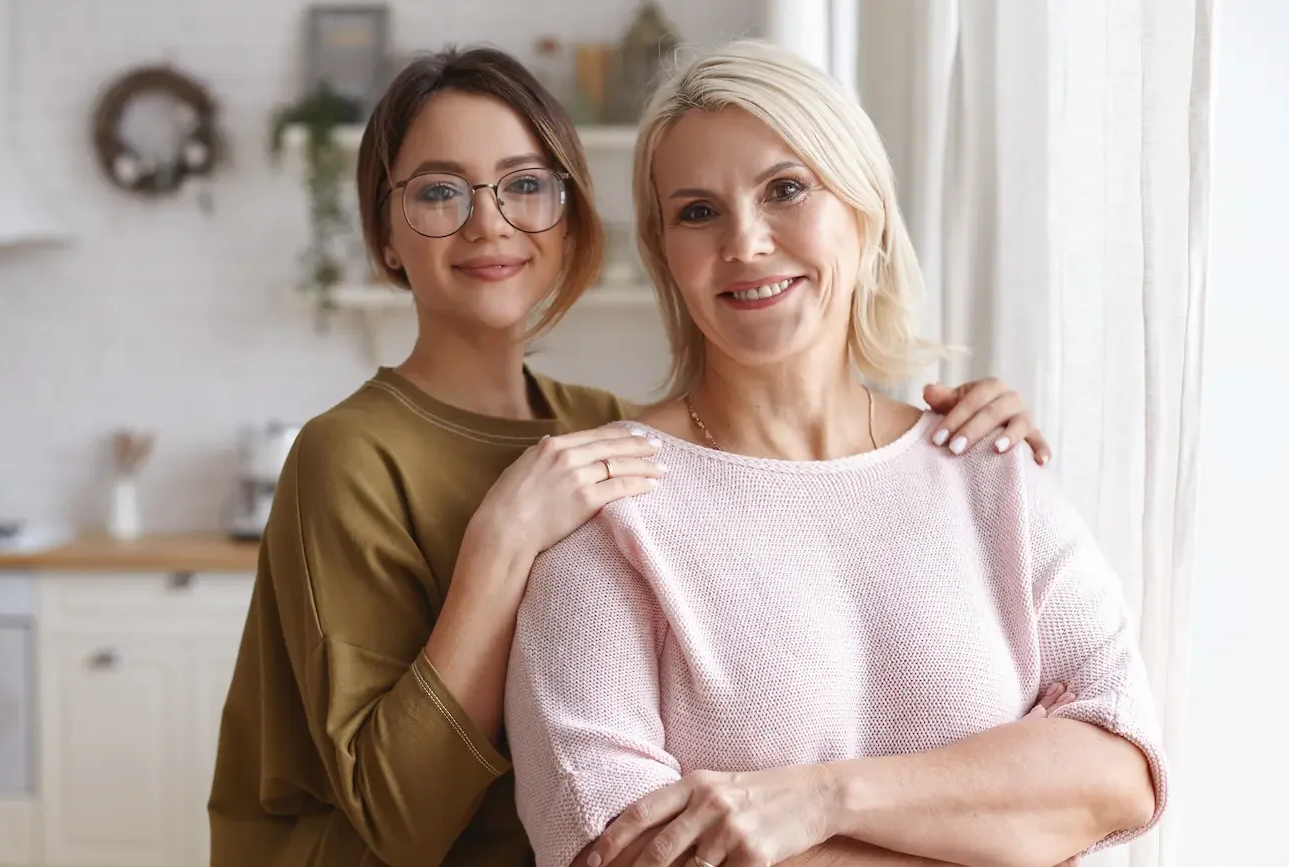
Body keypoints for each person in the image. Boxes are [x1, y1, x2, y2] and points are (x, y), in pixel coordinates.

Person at [207, 46, 1054, 867]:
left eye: (526, 186)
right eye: (438, 193)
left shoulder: (605, 432)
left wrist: (970, 436)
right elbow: (397, 823)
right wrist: (499, 546)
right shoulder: (347, 455)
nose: (489, 222)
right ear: (386, 236)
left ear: (573, 219)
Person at [504, 39, 1167, 867]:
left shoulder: (989, 468)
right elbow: (619, 850)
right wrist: (994, 831)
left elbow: (1122, 772)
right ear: (665, 254)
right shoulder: (610, 507)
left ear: (865, 211)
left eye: (786, 189)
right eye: (698, 211)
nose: (744, 242)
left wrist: (817, 798)